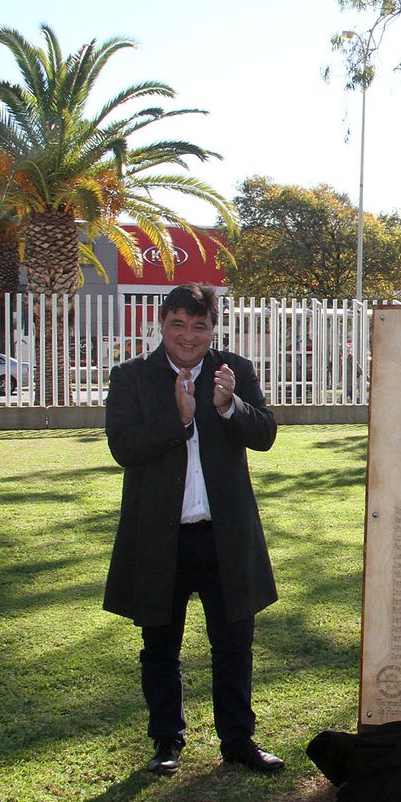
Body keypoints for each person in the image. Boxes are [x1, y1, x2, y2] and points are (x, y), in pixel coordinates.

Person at [104, 284, 284, 776]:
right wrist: (179, 419)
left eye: (199, 326)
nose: (188, 335)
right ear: (161, 323)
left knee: (234, 645)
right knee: (160, 647)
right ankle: (167, 741)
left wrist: (229, 407)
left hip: (224, 537)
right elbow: (124, 448)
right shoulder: (132, 377)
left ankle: (238, 741)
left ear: (212, 329)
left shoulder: (234, 370)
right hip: (161, 538)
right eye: (178, 324)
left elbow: (265, 434)